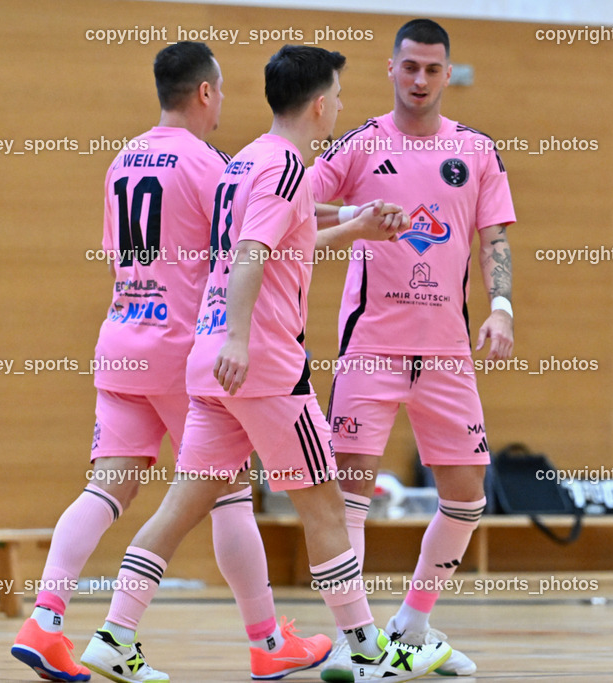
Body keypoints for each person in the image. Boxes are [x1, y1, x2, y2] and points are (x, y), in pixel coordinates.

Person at [80, 44, 451, 683]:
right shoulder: (282, 167)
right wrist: (240, 339)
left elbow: (282, 244)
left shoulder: (247, 161)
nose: (340, 104)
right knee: (327, 506)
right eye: (337, 94)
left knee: (179, 509)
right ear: (317, 104)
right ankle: (365, 645)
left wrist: (357, 227)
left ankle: (114, 633)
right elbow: (251, 252)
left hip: (209, 366)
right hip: (265, 366)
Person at [11, 42, 331, 682]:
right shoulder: (212, 162)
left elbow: (114, 253)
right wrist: (350, 221)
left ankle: (45, 620)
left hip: (121, 339)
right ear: (206, 93)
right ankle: (268, 643)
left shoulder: (122, 159)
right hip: (184, 349)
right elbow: (262, 230)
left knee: (106, 487)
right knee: (230, 497)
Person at [308, 18, 516, 679]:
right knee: (352, 491)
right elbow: (290, 207)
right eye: (410, 67)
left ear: (446, 73)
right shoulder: (360, 144)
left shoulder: (478, 151)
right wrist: (353, 219)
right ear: (390, 69)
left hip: (448, 351)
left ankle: (414, 624)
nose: (420, 79)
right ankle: (355, 636)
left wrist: (502, 307)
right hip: (371, 345)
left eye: (432, 69)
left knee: (466, 495)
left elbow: (496, 239)